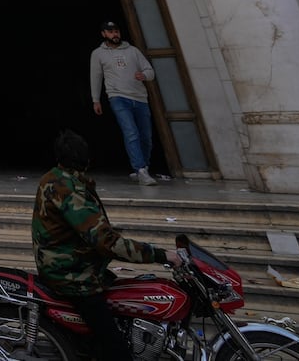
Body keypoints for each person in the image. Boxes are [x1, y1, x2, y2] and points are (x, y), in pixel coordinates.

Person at [33, 130, 185, 361]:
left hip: (78, 267)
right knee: (117, 350)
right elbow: (106, 242)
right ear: (86, 160)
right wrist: (162, 255)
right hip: (72, 277)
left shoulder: (52, 177)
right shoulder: (69, 190)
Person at [90, 20, 158, 185]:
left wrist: (144, 76)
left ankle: (143, 167)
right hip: (118, 97)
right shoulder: (98, 54)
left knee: (146, 136)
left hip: (140, 97)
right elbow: (96, 77)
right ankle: (140, 169)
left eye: (116, 31)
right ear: (104, 34)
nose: (115, 34)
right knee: (131, 132)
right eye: (110, 32)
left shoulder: (133, 51)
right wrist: (96, 100)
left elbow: (150, 71)